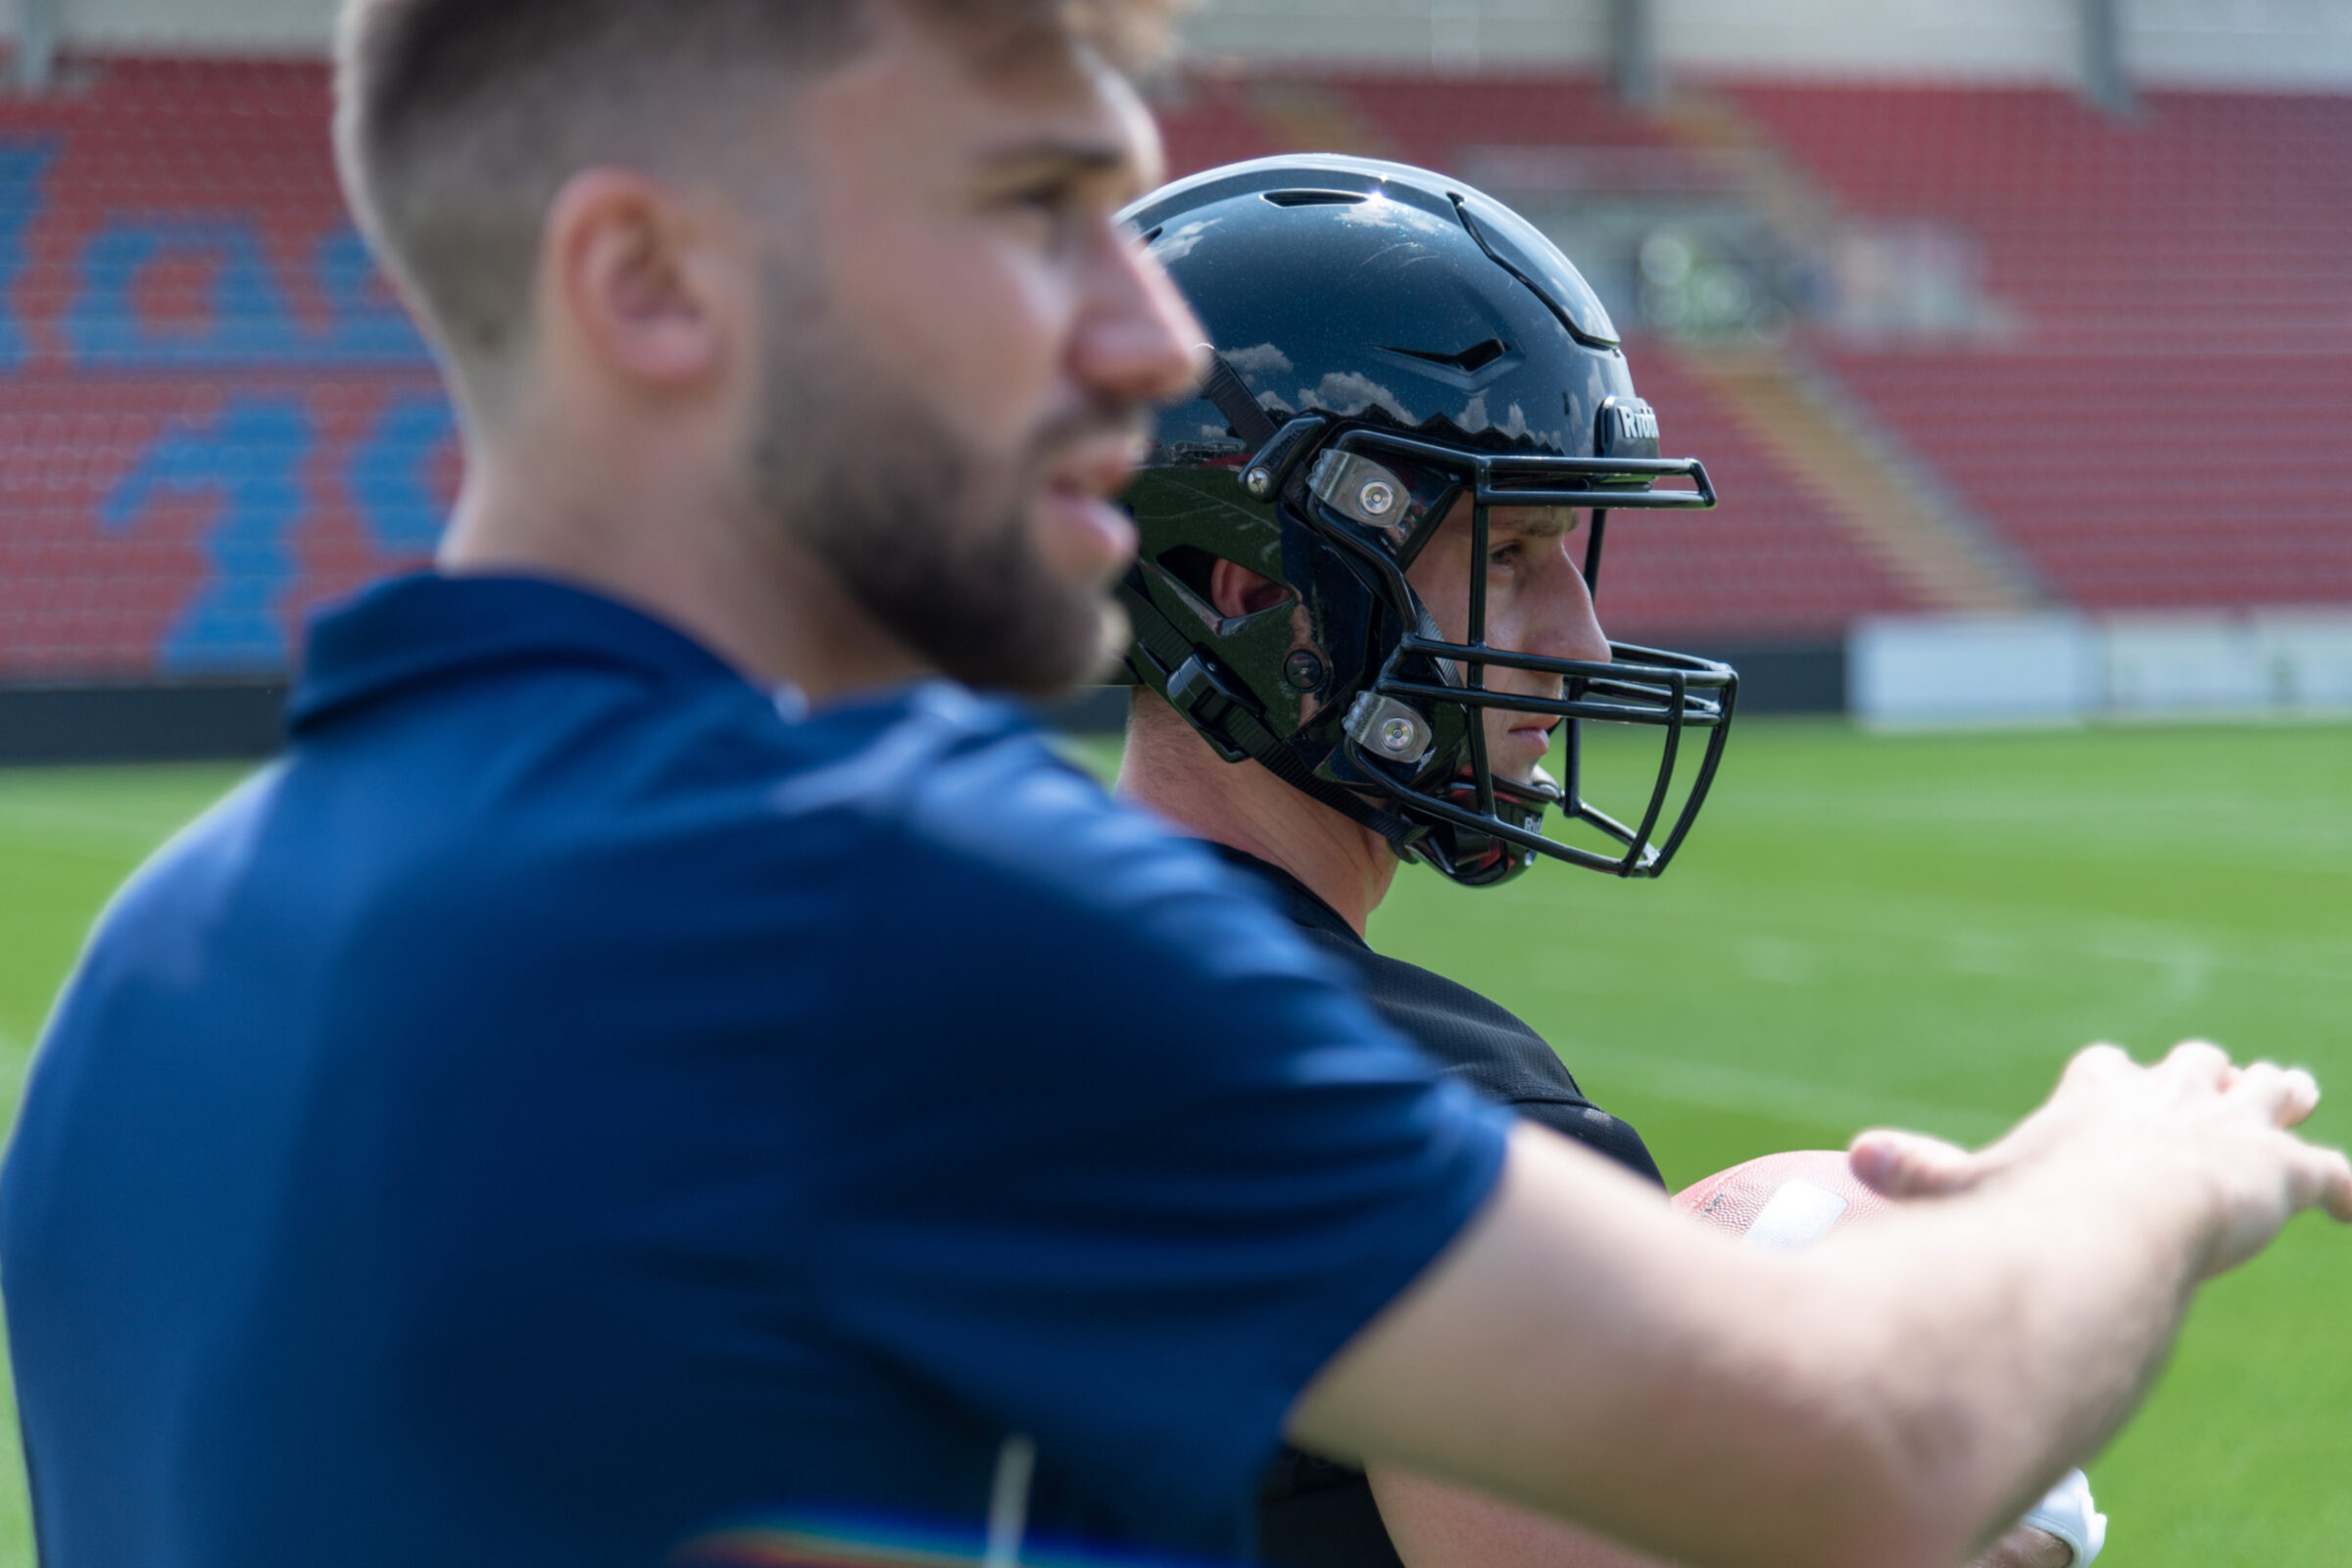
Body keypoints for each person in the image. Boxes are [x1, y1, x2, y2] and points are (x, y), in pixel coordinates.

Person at [2, 7, 2344, 1568]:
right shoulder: (891, 909)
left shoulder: (156, 967)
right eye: (1035, 210)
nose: (1136, 346)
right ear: (651, 281)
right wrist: (2141, 1171)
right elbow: (1856, 1454)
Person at [1110, 156, 2095, 1568]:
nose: (1577, 644)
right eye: (1511, 558)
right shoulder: (1416, 1122)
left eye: (1572, 553)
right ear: (1265, 595)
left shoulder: (903, 956)